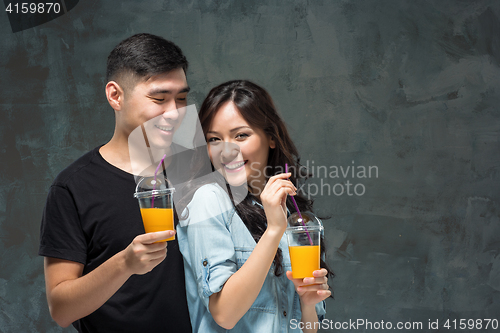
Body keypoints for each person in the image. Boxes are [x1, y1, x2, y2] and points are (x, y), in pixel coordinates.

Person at [39, 33, 193, 332]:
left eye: (183, 99)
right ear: (115, 96)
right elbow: (60, 309)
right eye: (159, 99)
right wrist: (125, 264)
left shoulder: (198, 167)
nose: (175, 113)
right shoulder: (73, 188)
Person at [177, 80, 334, 332]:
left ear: (270, 138)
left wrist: (307, 303)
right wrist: (273, 230)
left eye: (241, 135)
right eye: (214, 139)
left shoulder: (296, 216)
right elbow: (224, 314)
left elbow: (309, 327)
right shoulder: (209, 200)